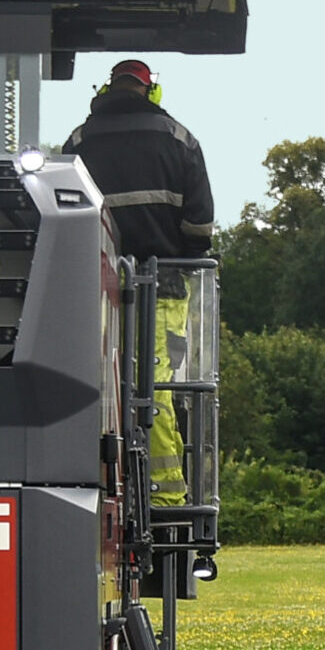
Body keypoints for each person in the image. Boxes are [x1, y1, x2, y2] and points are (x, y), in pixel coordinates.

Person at [63, 59, 215, 505]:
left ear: (107, 90)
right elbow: (200, 227)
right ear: (151, 92)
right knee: (159, 390)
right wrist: (180, 258)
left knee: (96, 391)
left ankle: (98, 485)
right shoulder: (179, 140)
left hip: (92, 293)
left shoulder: (79, 142)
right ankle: (164, 496)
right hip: (164, 288)